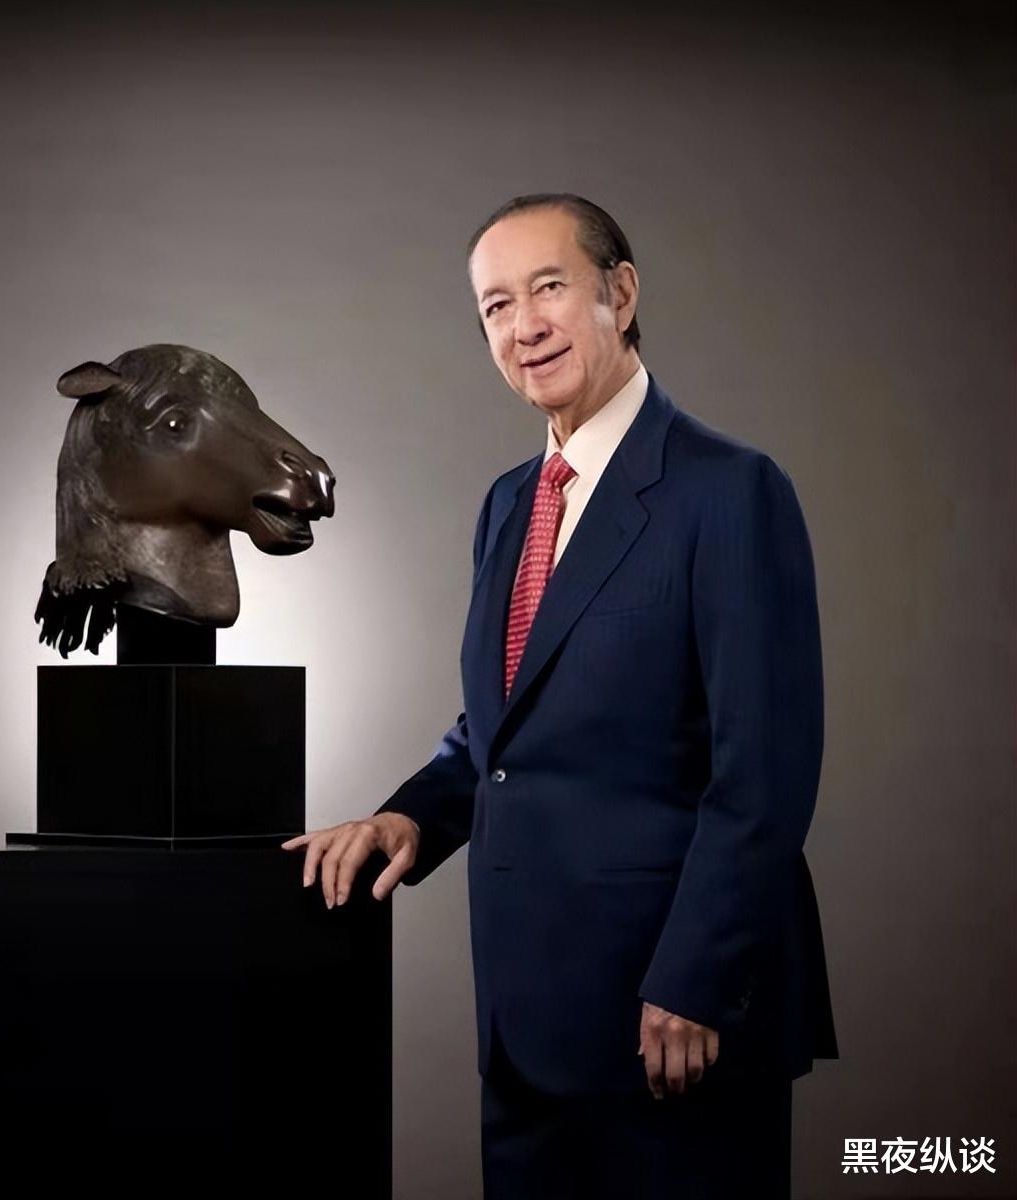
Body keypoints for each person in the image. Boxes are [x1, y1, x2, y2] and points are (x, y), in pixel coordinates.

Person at [282, 193, 837, 1198]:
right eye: (496, 305)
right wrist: (410, 817)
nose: (524, 325)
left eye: (548, 288)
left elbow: (765, 772)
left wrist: (695, 979)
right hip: (525, 1023)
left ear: (620, 293)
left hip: (673, 1018)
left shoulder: (730, 490)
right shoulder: (509, 502)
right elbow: (505, 729)